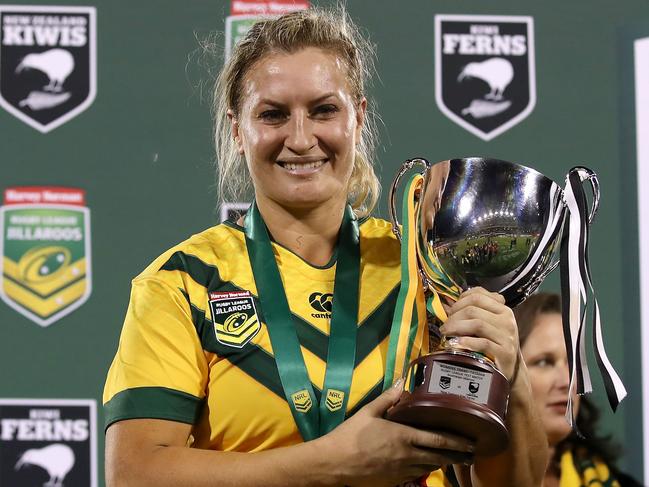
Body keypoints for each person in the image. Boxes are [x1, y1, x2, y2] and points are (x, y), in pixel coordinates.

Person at [103, 7, 547, 486]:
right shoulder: (185, 282)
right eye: (273, 114)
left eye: (323, 110)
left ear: (358, 115)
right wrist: (335, 462)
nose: (299, 138)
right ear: (238, 130)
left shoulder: (424, 268)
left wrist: (512, 376)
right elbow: (134, 474)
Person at [515, 292, 641, 487]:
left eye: (573, 363)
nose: (568, 380)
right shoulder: (459, 477)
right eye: (544, 362)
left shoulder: (618, 482)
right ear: (505, 375)